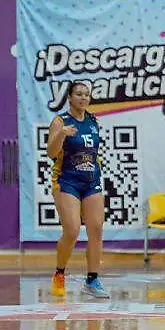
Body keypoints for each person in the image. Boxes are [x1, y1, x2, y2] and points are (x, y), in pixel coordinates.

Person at [47, 81, 110, 299]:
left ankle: (92, 280)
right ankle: (59, 273)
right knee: (72, 230)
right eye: (79, 94)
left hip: (91, 181)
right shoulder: (60, 121)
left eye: (86, 94)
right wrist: (62, 134)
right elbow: (51, 153)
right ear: (70, 98)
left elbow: (93, 152)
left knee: (96, 229)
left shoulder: (93, 121)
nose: (83, 98)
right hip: (67, 180)